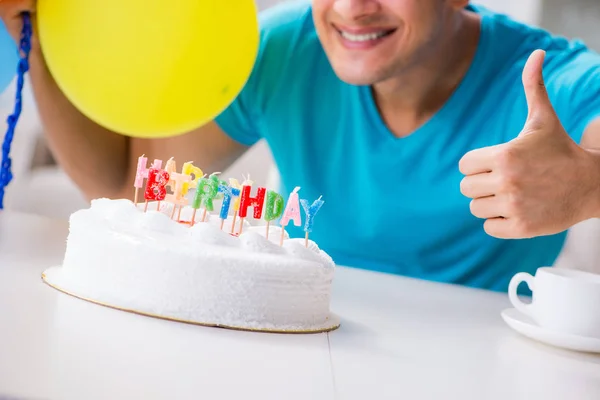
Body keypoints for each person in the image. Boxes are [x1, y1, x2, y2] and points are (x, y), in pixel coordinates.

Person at [1, 0, 600, 293]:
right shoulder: (283, 52)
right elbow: (126, 184)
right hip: (309, 342)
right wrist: (29, 32)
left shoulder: (552, 78)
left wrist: (587, 183)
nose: (351, 9)